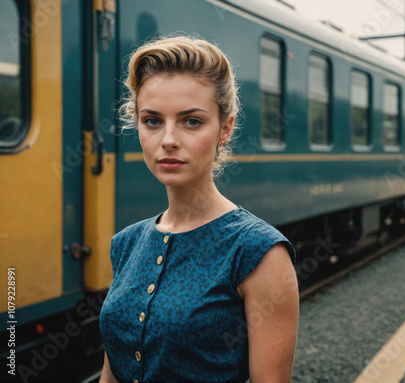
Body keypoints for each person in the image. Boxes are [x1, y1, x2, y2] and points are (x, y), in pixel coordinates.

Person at [99, 35, 299, 383]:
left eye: (191, 121)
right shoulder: (126, 244)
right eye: (152, 121)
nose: (168, 140)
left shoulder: (259, 253)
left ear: (225, 129)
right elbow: (112, 372)